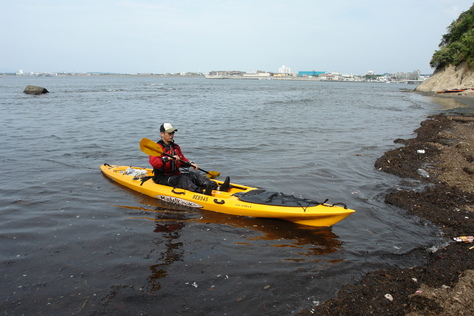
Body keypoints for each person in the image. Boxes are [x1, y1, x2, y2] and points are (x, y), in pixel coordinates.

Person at [149, 123, 219, 195]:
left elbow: (182, 160)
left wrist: (191, 163)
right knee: (183, 179)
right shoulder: (156, 148)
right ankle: (202, 193)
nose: (172, 135)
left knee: (195, 175)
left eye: (172, 133)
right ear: (162, 134)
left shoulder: (176, 147)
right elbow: (155, 163)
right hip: (163, 177)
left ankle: (217, 187)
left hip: (176, 174)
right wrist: (168, 158)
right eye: (169, 133)